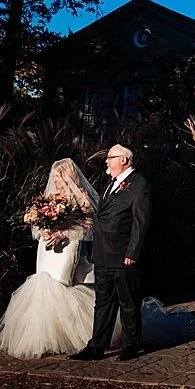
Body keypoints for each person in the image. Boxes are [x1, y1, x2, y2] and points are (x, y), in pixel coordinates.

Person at [0, 158, 101, 359]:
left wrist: (62, 234)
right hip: (47, 246)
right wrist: (43, 230)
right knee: (43, 283)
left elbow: (90, 226)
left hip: (68, 245)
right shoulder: (51, 196)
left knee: (61, 283)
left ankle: (71, 335)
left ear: (68, 175)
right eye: (54, 176)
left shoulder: (81, 196)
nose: (55, 180)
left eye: (58, 176)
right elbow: (39, 220)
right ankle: (47, 337)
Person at [69, 143, 153, 361]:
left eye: (110, 157)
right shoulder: (110, 184)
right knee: (103, 302)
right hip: (103, 255)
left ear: (124, 160)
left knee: (128, 302)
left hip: (123, 255)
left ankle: (131, 344)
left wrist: (133, 253)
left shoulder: (139, 185)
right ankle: (97, 346)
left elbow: (141, 222)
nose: (106, 161)